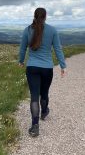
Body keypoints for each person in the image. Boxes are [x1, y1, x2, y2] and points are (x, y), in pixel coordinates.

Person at [18, 7, 67, 137]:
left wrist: (21, 61)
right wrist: (63, 65)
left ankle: (35, 126)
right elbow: (58, 49)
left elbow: (22, 48)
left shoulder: (27, 30)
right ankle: (44, 112)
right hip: (47, 68)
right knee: (44, 93)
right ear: (45, 17)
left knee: (34, 96)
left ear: (34, 16)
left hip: (32, 68)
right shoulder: (52, 30)